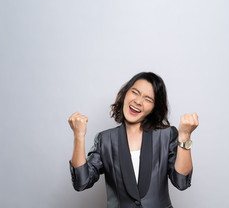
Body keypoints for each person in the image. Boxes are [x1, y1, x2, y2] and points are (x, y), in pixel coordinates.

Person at [68, 72, 199, 208]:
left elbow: (182, 182)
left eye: (148, 99)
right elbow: (81, 183)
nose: (138, 101)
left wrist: (184, 136)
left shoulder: (166, 135)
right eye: (135, 92)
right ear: (125, 93)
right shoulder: (105, 140)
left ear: (155, 107)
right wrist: (78, 136)